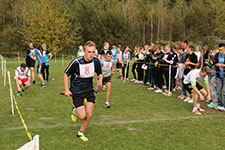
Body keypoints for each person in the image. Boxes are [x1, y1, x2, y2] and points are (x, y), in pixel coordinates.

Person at [64, 41, 103, 142]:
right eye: (89, 52)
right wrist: (67, 90)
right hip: (77, 91)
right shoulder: (76, 62)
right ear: (84, 51)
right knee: (82, 116)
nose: (91, 54)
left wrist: (100, 81)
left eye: (93, 52)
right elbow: (66, 74)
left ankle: (80, 132)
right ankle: (74, 110)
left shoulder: (96, 61)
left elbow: (100, 73)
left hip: (89, 90)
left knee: (89, 114)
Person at [213, 43, 225, 111]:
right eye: (219, 50)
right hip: (219, 75)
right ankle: (220, 105)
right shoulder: (217, 55)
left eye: (221, 50)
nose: (220, 51)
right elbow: (214, 62)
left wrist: (221, 65)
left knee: (224, 92)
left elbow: (220, 64)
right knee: (218, 91)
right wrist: (212, 62)